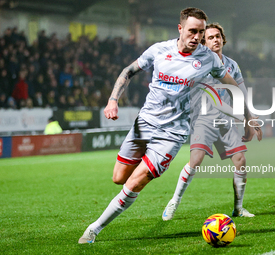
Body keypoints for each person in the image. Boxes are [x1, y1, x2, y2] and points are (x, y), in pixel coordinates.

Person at [78, 7, 255, 244]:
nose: (197, 37)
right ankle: (145, 168)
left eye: (201, 33)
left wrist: (249, 119)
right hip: (145, 124)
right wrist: (112, 100)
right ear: (180, 29)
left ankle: (93, 229)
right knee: (119, 178)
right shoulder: (159, 50)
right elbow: (127, 72)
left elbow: (234, 88)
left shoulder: (208, 58)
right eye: (193, 31)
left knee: (136, 181)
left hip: (172, 134)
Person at [162, 23, 262, 221]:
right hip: (203, 119)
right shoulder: (196, 63)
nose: (215, 40)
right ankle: (174, 201)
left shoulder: (232, 65)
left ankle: (238, 208)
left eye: (217, 36)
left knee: (241, 160)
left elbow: (240, 91)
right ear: (203, 42)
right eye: (210, 37)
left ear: (222, 39)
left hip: (226, 119)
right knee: (196, 160)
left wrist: (248, 118)